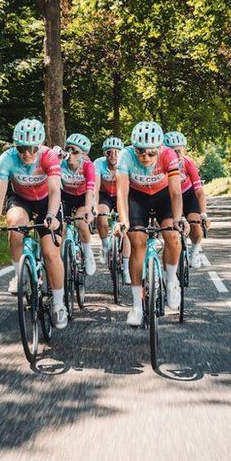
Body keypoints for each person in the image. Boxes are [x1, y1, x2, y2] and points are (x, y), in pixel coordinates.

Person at [0, 118, 68, 328]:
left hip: (47, 201)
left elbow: (55, 190)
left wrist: (51, 215)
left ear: (39, 145)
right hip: (22, 200)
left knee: (51, 253)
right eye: (22, 148)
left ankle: (59, 304)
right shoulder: (7, 158)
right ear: (15, 145)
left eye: (32, 148)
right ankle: (18, 274)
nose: (27, 153)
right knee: (14, 224)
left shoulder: (48, 156)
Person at [115, 121, 187, 327]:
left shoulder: (169, 156)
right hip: (137, 198)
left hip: (163, 196)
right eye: (140, 152)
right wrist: (124, 221)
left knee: (173, 236)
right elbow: (122, 193)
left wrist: (178, 218)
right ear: (133, 148)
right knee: (137, 242)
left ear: (160, 149)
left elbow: (175, 193)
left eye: (151, 153)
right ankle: (137, 305)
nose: (145, 157)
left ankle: (172, 280)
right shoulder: (126, 156)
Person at [164, 131, 209, 268]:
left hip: (188, 195)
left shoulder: (188, 162)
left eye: (179, 150)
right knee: (169, 229)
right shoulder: (161, 164)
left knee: (195, 226)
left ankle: (194, 250)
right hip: (170, 196)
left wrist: (203, 214)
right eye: (173, 151)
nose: (177, 155)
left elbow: (199, 191)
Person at [93, 136, 131, 283]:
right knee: (102, 218)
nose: (113, 156)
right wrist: (94, 207)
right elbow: (95, 188)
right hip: (105, 195)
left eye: (116, 152)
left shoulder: (127, 163)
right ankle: (105, 246)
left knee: (125, 228)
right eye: (109, 152)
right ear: (104, 154)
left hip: (123, 195)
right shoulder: (99, 164)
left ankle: (126, 269)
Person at [60, 133, 97, 276]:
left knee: (81, 222)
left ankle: (88, 255)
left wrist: (89, 210)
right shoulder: (61, 162)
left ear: (83, 154)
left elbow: (90, 190)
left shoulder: (88, 165)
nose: (70, 154)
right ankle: (58, 260)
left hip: (83, 197)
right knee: (60, 227)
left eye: (75, 151)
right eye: (68, 149)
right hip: (66, 196)